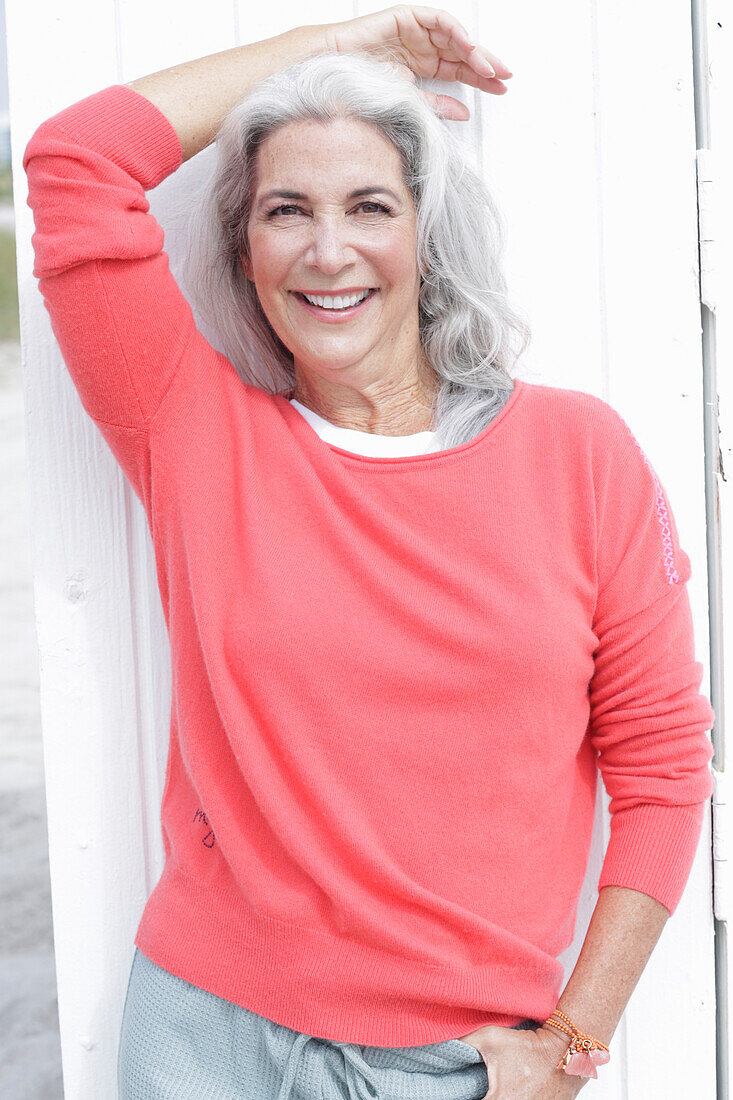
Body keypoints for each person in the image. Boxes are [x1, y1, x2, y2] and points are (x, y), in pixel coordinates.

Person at [23, 6, 715, 1098]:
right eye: (285, 209)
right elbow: (75, 160)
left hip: (457, 1064)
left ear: (427, 232)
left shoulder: (578, 454)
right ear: (243, 247)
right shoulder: (192, 428)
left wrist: (572, 1046)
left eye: (369, 206)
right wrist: (346, 51)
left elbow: (665, 772)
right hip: (207, 1039)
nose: (327, 249)